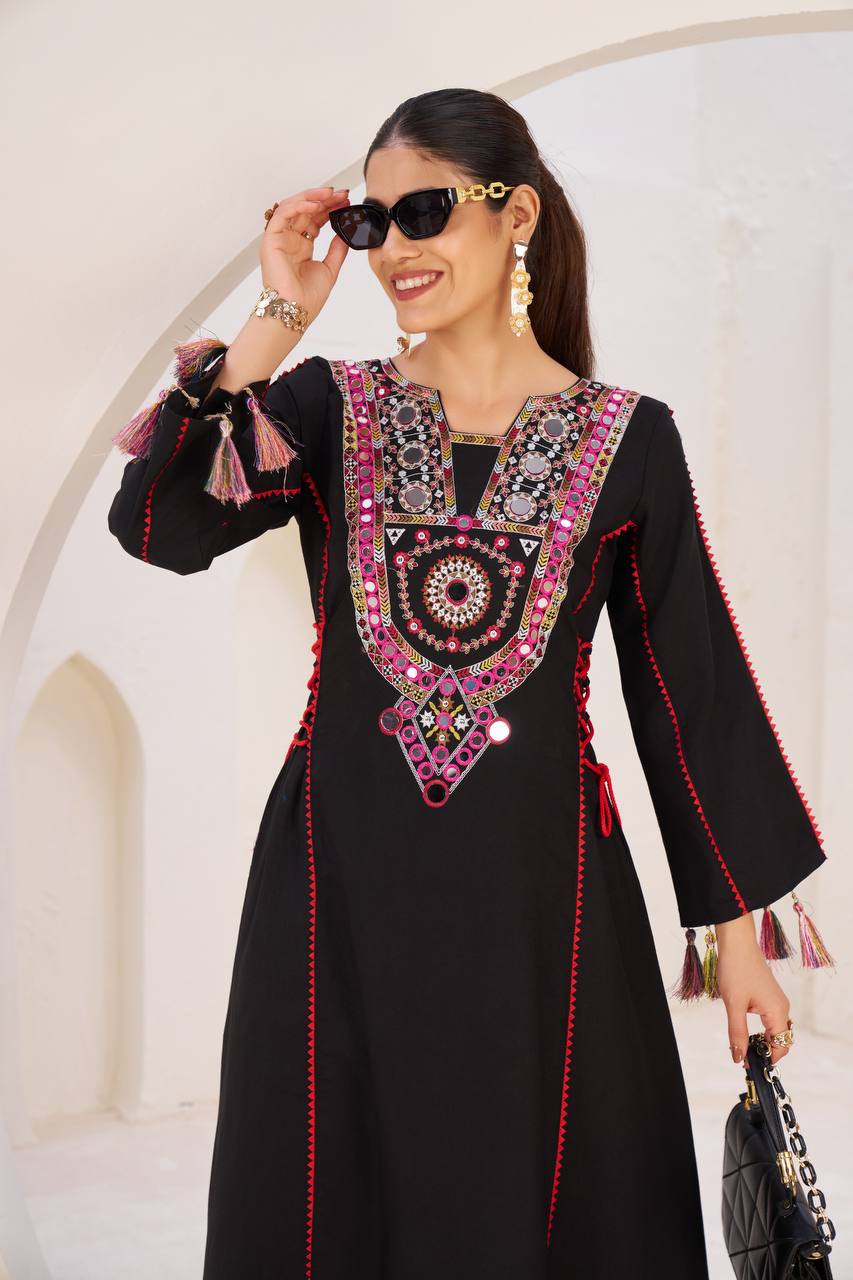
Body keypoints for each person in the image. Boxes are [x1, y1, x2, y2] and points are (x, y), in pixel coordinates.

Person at [107, 88, 831, 1280]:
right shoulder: (324, 409)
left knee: (541, 1198)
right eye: (371, 222)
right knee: (330, 1193)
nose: (394, 246)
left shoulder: (627, 437)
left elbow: (686, 687)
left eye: (426, 211)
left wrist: (736, 936)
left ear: (517, 216)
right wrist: (276, 320)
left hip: (545, 899)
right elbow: (156, 522)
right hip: (335, 887)